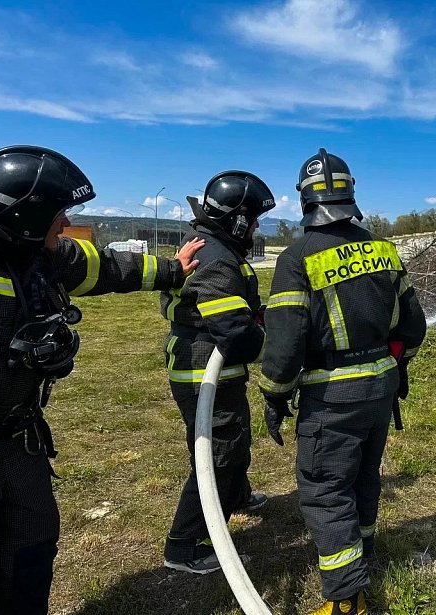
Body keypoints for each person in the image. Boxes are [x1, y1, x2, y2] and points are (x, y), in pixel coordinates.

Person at [0, 145, 203, 614]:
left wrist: (172, 270)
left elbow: (103, 268)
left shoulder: (34, 249)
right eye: (58, 214)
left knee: (31, 550)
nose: (65, 223)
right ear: (26, 217)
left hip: (18, 440)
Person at [259, 148, 426, 615]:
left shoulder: (296, 258)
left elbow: (286, 342)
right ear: (350, 194)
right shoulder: (383, 249)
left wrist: (274, 395)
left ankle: (346, 600)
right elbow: (413, 327)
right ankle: (362, 557)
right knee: (362, 478)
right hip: (380, 387)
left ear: (304, 200)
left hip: (332, 395)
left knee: (324, 488)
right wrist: (399, 366)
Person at [160, 170, 275, 574]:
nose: (257, 226)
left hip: (215, 368)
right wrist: (278, 350)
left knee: (234, 439)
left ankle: (236, 496)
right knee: (219, 452)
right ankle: (183, 545)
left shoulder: (216, 248)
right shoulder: (216, 257)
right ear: (239, 220)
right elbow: (234, 332)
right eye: (255, 218)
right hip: (203, 372)